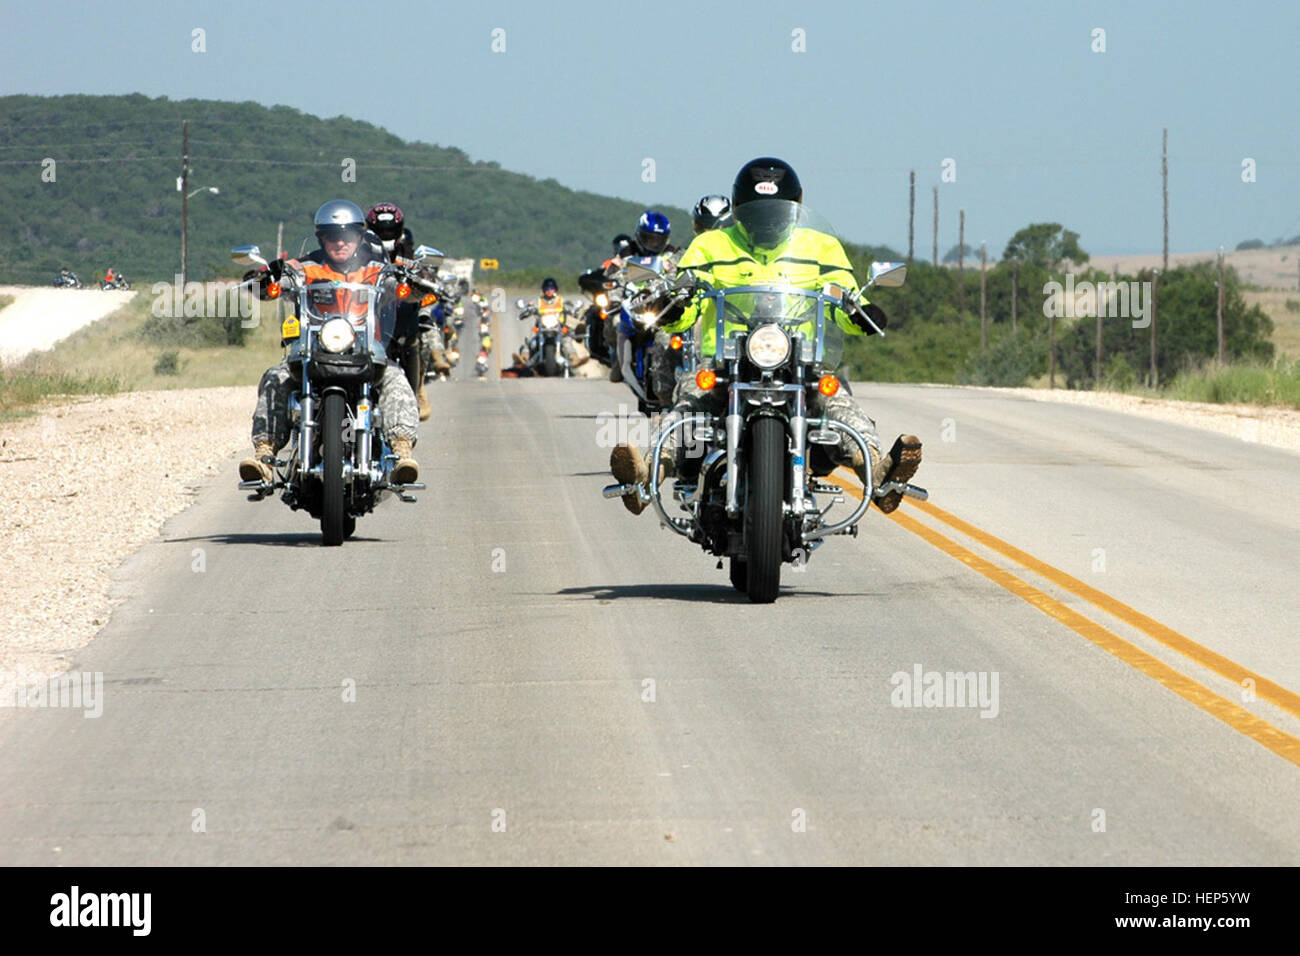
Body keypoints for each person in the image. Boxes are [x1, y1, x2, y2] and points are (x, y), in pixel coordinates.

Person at [608, 157, 922, 516]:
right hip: (723, 360)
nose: (766, 222)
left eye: (774, 214)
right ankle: (647, 476)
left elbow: (841, 294)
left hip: (804, 361)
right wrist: (676, 306)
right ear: (738, 209)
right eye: (756, 213)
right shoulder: (709, 246)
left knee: (840, 406)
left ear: (795, 209)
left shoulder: (821, 248)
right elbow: (688, 301)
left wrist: (861, 311)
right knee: (685, 410)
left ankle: (878, 473)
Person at [239, 199, 420, 486]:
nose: (339, 242)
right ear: (321, 237)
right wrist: (263, 278)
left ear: (360, 236)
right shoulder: (304, 268)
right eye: (331, 235)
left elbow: (405, 292)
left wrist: (413, 282)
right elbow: (269, 288)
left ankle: (401, 453)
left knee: (396, 379)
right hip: (313, 352)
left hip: (365, 352)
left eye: (347, 235)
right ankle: (265, 457)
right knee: (275, 377)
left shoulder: (377, 270)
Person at [365, 202, 442, 419]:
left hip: (400, 320)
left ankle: (415, 391)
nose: (385, 234)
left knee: (414, 336)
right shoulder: (357, 254)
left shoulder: (405, 255)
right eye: (381, 230)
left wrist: (425, 280)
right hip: (365, 321)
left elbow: (423, 273)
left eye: (390, 230)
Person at [517, 277, 587, 370]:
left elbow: (572, 307)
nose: (549, 291)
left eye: (551, 288)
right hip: (540, 326)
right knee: (531, 339)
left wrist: (574, 310)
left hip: (559, 326)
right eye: (547, 289)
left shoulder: (561, 300)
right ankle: (524, 357)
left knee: (567, 340)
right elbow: (527, 309)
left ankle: (574, 358)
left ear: (555, 289)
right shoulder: (538, 301)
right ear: (543, 290)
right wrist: (526, 310)